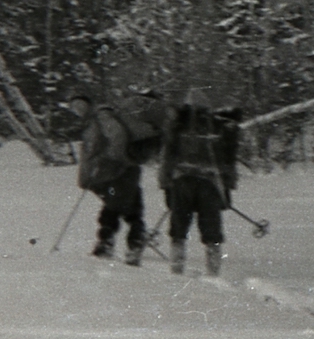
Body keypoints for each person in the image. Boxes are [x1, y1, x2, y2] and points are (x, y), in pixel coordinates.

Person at [158, 91, 239, 276]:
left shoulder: (178, 124)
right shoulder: (217, 125)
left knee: (178, 229)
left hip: (182, 180)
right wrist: (227, 187)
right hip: (209, 182)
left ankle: (176, 269)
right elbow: (227, 159)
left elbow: (167, 155)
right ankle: (213, 270)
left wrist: (165, 183)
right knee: (212, 229)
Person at [69, 90, 147, 266]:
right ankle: (134, 242)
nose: (78, 110)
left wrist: (111, 160)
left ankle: (108, 244)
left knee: (114, 208)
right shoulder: (93, 121)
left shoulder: (102, 117)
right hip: (119, 171)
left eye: (80, 105)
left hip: (119, 171)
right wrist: (86, 178)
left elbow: (117, 137)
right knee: (128, 208)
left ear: (88, 104)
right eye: (74, 107)